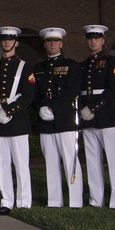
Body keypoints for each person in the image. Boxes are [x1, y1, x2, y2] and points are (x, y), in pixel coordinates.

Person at [0, 27, 35, 215]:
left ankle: (24, 201)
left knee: (21, 164)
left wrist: (9, 111)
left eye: (10, 40)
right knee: (2, 164)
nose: (6, 43)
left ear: (16, 43)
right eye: (3, 40)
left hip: (17, 120)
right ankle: (6, 201)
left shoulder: (25, 67)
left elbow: (28, 95)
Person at [32, 27, 84, 208]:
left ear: (61, 44)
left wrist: (53, 108)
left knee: (70, 160)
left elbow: (72, 91)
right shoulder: (38, 68)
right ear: (45, 44)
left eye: (55, 41)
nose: (51, 44)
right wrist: (40, 108)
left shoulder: (71, 65)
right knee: (51, 163)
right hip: (46, 121)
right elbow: (35, 93)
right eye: (48, 42)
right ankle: (54, 201)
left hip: (64, 119)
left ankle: (75, 201)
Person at [79, 24, 115, 210]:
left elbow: (113, 89)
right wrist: (84, 109)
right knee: (92, 161)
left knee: (114, 161)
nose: (93, 41)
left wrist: (93, 107)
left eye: (96, 38)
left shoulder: (111, 62)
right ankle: (96, 200)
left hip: (106, 117)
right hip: (88, 119)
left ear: (103, 41)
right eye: (90, 38)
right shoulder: (83, 65)